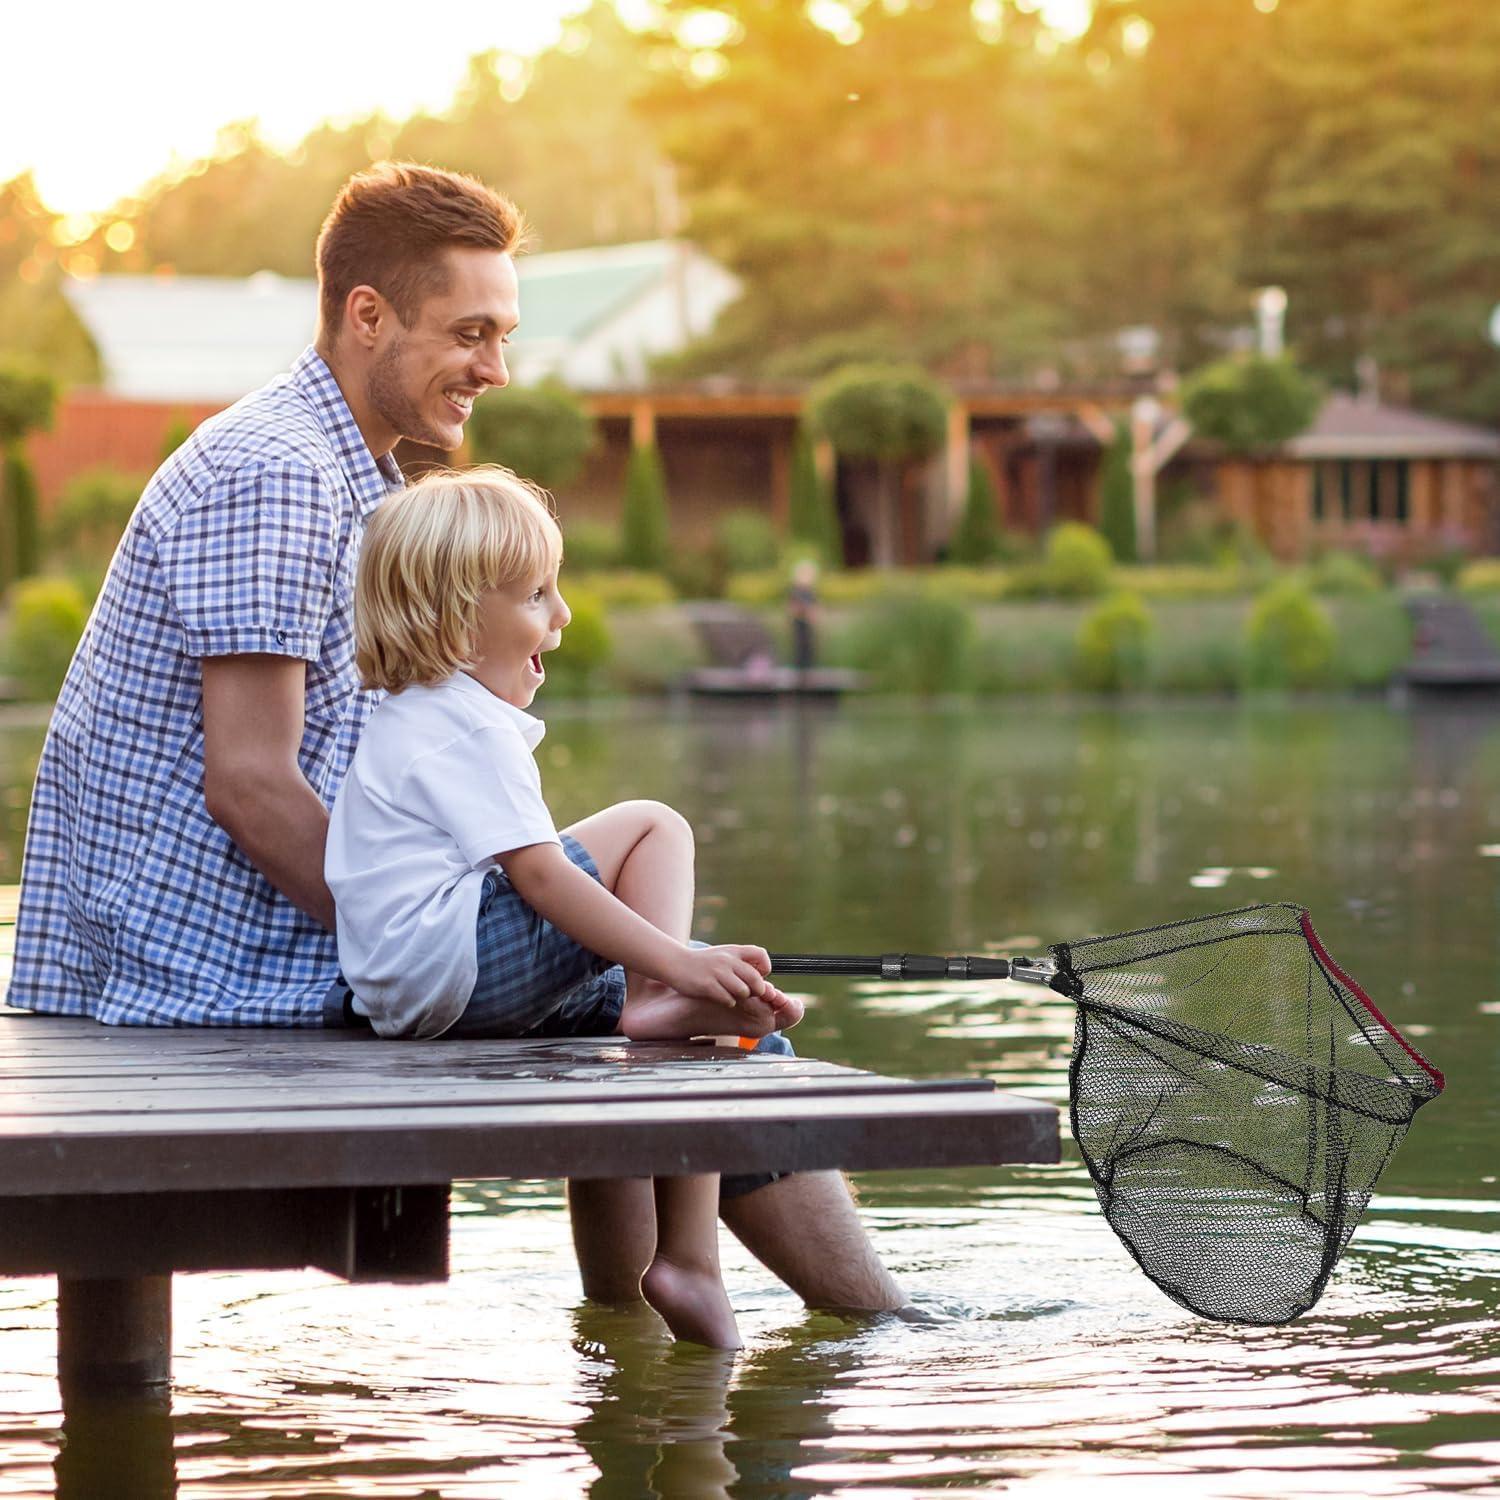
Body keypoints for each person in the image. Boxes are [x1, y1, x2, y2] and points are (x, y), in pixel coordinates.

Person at [9, 159, 906, 1318]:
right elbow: (248, 786)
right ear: (366, 315)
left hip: (249, 941)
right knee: (690, 1014)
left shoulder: (350, 473)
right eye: (470, 332)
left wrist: (517, 917)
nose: (495, 367)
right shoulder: (277, 477)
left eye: (504, 333)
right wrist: (443, 931)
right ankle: (880, 1329)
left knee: (631, 957)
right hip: (204, 971)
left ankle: (629, 1350)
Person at [326, 466, 803, 1346]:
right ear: (457, 617)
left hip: (421, 997)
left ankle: (688, 1252)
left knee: (728, 1029)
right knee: (654, 826)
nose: (564, 614)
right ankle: (687, 1248)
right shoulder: (466, 725)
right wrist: (675, 960)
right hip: (461, 968)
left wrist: (685, 972)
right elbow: (543, 880)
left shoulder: (402, 716)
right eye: (538, 594)